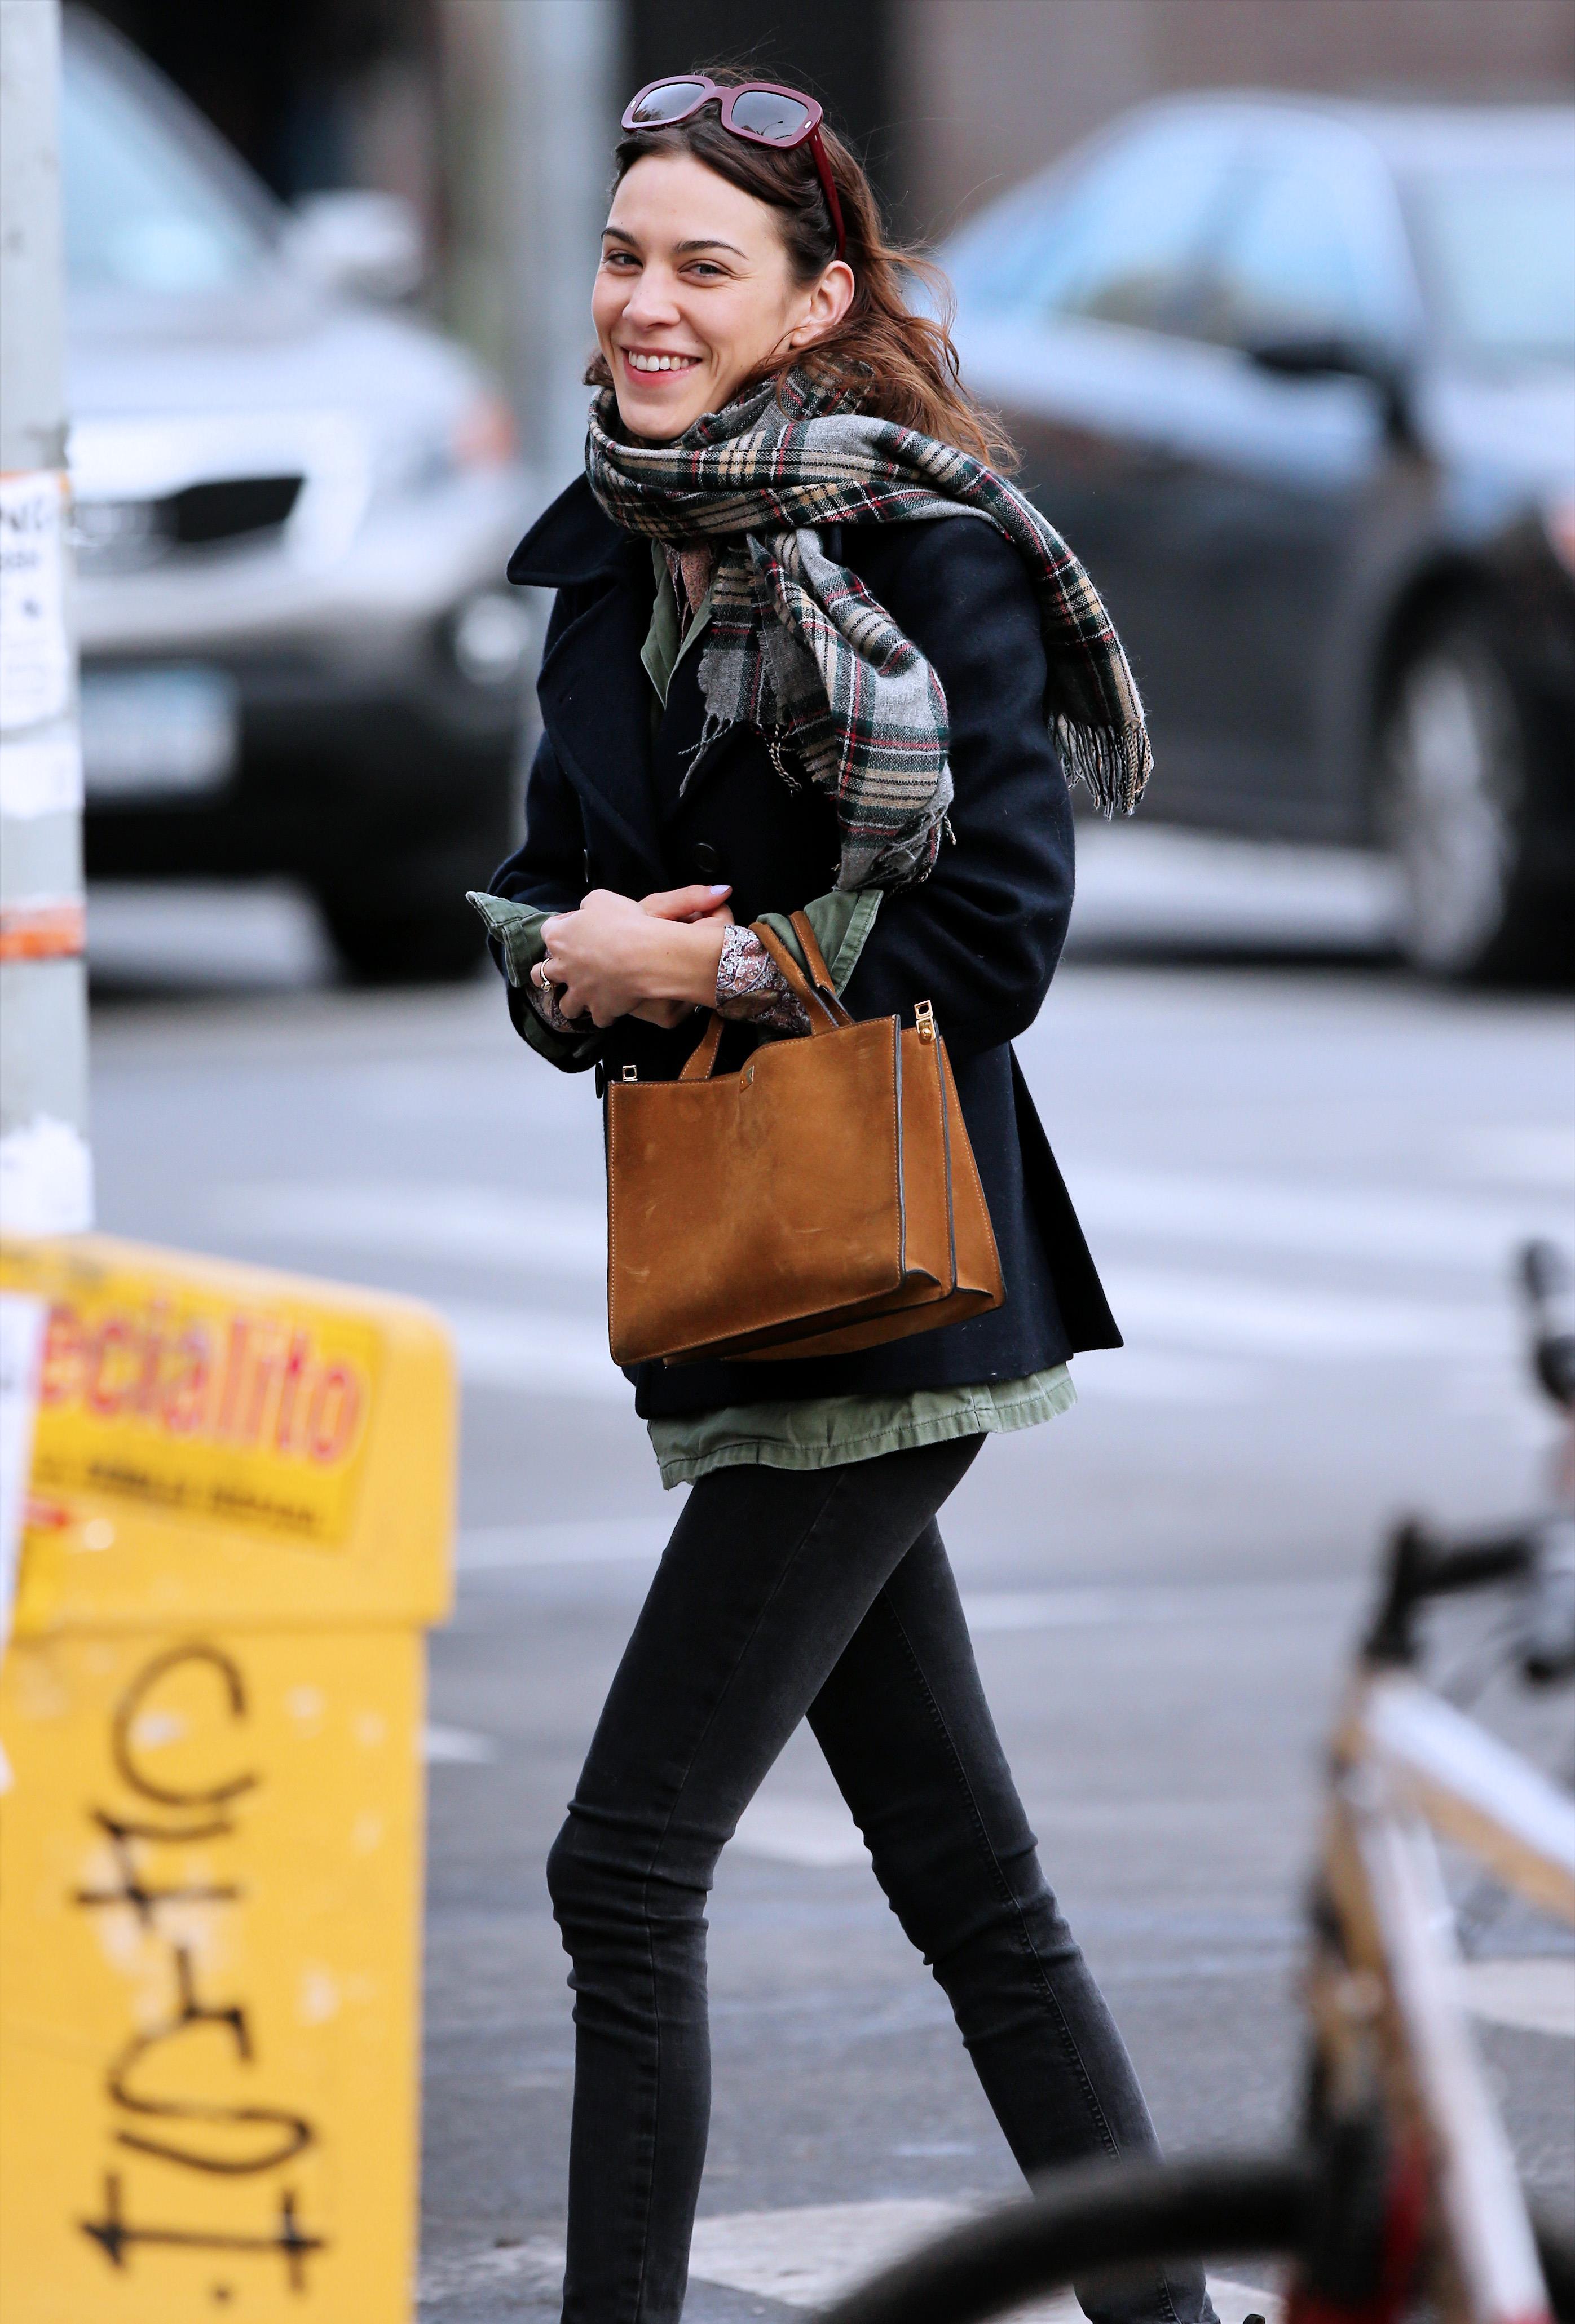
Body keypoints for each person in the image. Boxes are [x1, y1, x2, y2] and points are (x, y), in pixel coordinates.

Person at [471, 70, 1216, 2324]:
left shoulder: (929, 548)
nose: (647, 303)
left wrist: (695, 965)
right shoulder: (612, 548)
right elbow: (545, 895)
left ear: (815, 303)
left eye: (705, 267)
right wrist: (571, 965)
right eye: (624, 257)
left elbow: (993, 938)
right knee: (973, 1885)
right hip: (745, 1274)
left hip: (894, 1269)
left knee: (620, 1866)